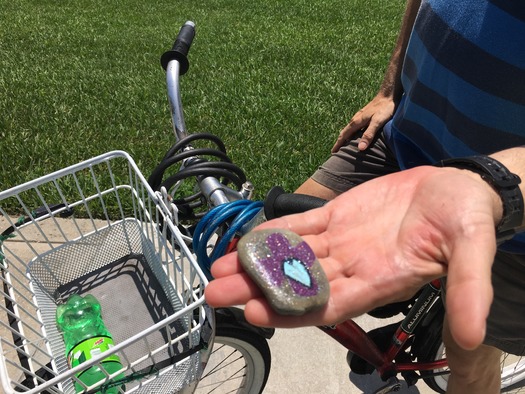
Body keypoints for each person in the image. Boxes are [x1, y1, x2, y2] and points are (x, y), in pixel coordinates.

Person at [205, 0, 525, 392]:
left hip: (507, 217)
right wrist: (390, 87)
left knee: (469, 362)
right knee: (273, 239)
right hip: (405, 136)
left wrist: (491, 187)